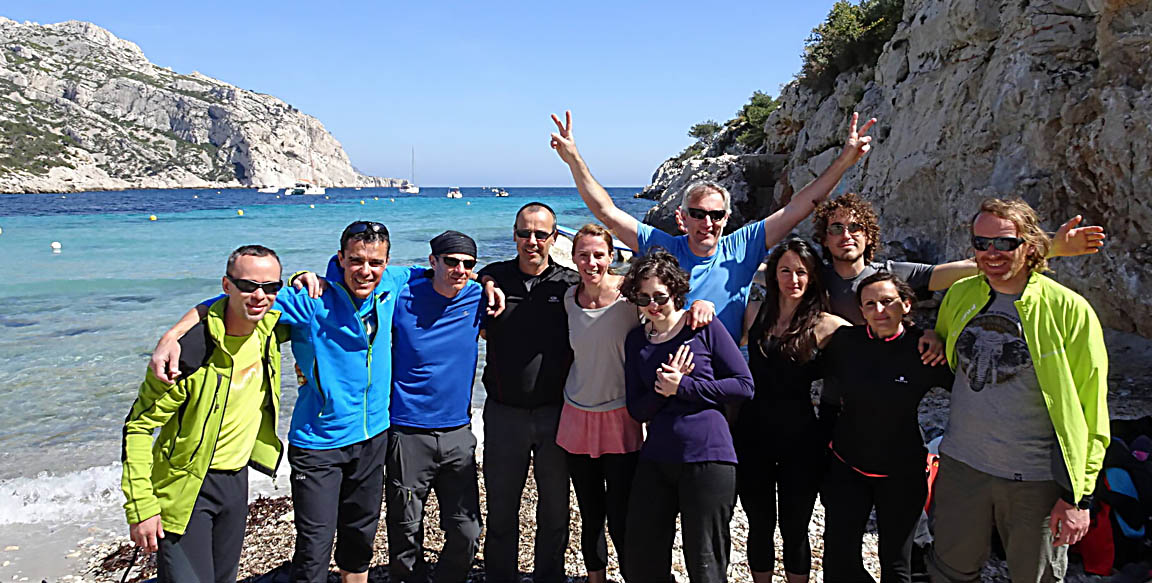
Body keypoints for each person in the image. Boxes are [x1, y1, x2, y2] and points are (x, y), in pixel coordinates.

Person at [147, 222, 436, 583]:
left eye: (375, 262)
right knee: (314, 547)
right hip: (319, 445)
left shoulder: (392, 283)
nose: (366, 270)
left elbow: (440, 272)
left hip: (374, 434)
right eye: (356, 260)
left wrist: (487, 284)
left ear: (387, 261)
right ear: (340, 259)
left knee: (360, 537)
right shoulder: (310, 302)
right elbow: (233, 304)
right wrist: (172, 335)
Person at [550, 109, 876, 342]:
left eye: (716, 215)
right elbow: (606, 211)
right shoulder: (663, 248)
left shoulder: (743, 245)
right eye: (698, 213)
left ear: (726, 218)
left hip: (722, 369)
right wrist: (574, 159)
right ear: (684, 216)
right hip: (668, 367)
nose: (707, 222)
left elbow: (801, 206)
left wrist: (845, 161)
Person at [929, 198, 1109, 583]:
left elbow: (1091, 409)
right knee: (949, 570)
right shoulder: (962, 295)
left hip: (1035, 480)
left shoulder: (1069, 310)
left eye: (1004, 243)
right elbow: (945, 351)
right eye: (981, 243)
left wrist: (1080, 498)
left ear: (1029, 245)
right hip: (962, 468)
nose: (991, 253)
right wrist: (927, 337)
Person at [122, 245, 287, 583]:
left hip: (236, 483)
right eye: (248, 285)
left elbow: (310, 290)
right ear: (226, 286)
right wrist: (141, 507)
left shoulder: (269, 328)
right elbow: (137, 427)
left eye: (271, 287)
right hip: (186, 488)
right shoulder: (187, 355)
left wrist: (312, 280)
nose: (260, 295)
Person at [621, 249, 754, 583]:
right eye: (644, 297)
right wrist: (660, 391)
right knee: (641, 557)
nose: (653, 304)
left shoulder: (703, 328)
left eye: (660, 297)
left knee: (705, 563)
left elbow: (744, 385)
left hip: (708, 455)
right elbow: (637, 410)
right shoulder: (636, 340)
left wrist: (684, 387)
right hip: (657, 457)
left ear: (676, 292)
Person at [819, 272, 954, 583]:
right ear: (861, 311)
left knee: (896, 564)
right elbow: (825, 389)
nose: (879, 311)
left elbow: (967, 391)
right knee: (839, 559)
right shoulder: (846, 342)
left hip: (901, 475)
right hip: (847, 467)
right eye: (870, 304)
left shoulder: (923, 349)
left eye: (887, 302)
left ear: (906, 305)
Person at [734, 239, 850, 583]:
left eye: (802, 272)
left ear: (813, 277)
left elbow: (873, 348)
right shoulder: (754, 313)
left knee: (795, 527)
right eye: (785, 270)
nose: (794, 279)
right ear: (773, 275)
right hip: (752, 433)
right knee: (759, 523)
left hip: (801, 438)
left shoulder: (828, 325)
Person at [475, 203, 579, 583]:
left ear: (554, 238)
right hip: (504, 413)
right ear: (514, 234)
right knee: (502, 506)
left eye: (540, 234)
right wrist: (485, 282)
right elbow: (451, 278)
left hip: (557, 414)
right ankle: (500, 575)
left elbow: (608, 294)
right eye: (524, 233)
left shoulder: (568, 284)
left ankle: (548, 575)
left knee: (555, 508)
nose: (531, 241)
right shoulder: (494, 278)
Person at [386, 230, 486, 583]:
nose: (459, 269)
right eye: (451, 262)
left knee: (467, 529)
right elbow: (358, 276)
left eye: (468, 264)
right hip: (407, 430)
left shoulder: (477, 296)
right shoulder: (400, 296)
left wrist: (489, 282)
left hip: (458, 431)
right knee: (405, 527)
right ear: (433, 261)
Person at [556, 224, 644, 583]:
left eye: (598, 255)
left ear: (612, 257)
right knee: (590, 510)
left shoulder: (631, 296)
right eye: (583, 255)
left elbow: (668, 312)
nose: (591, 262)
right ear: (573, 257)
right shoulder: (568, 298)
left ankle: (631, 574)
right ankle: (596, 577)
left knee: (623, 510)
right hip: (577, 412)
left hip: (621, 415)